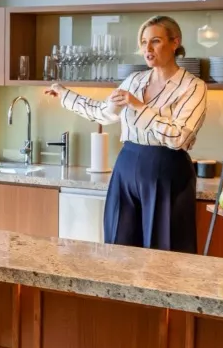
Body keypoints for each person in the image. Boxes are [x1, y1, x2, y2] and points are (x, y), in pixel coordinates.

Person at [44, 16, 207, 252]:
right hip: (127, 166)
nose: (147, 49)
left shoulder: (193, 87)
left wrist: (139, 107)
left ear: (175, 43)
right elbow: (103, 113)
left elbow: (178, 137)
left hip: (167, 170)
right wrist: (65, 94)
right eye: (143, 42)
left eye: (156, 41)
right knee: (119, 247)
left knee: (166, 252)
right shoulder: (134, 81)